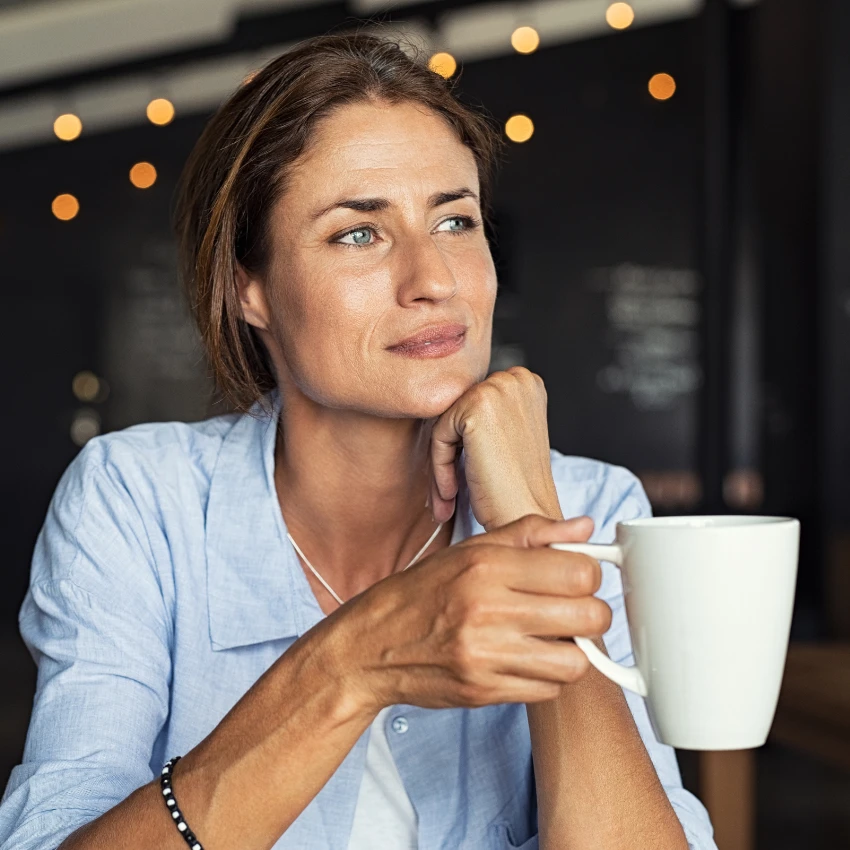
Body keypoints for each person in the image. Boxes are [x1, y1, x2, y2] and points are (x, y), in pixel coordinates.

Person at [0, 30, 715, 850]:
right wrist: (356, 662)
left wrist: (526, 517)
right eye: (358, 234)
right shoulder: (137, 502)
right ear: (249, 287)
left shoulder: (591, 507)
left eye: (455, 220)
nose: (434, 281)